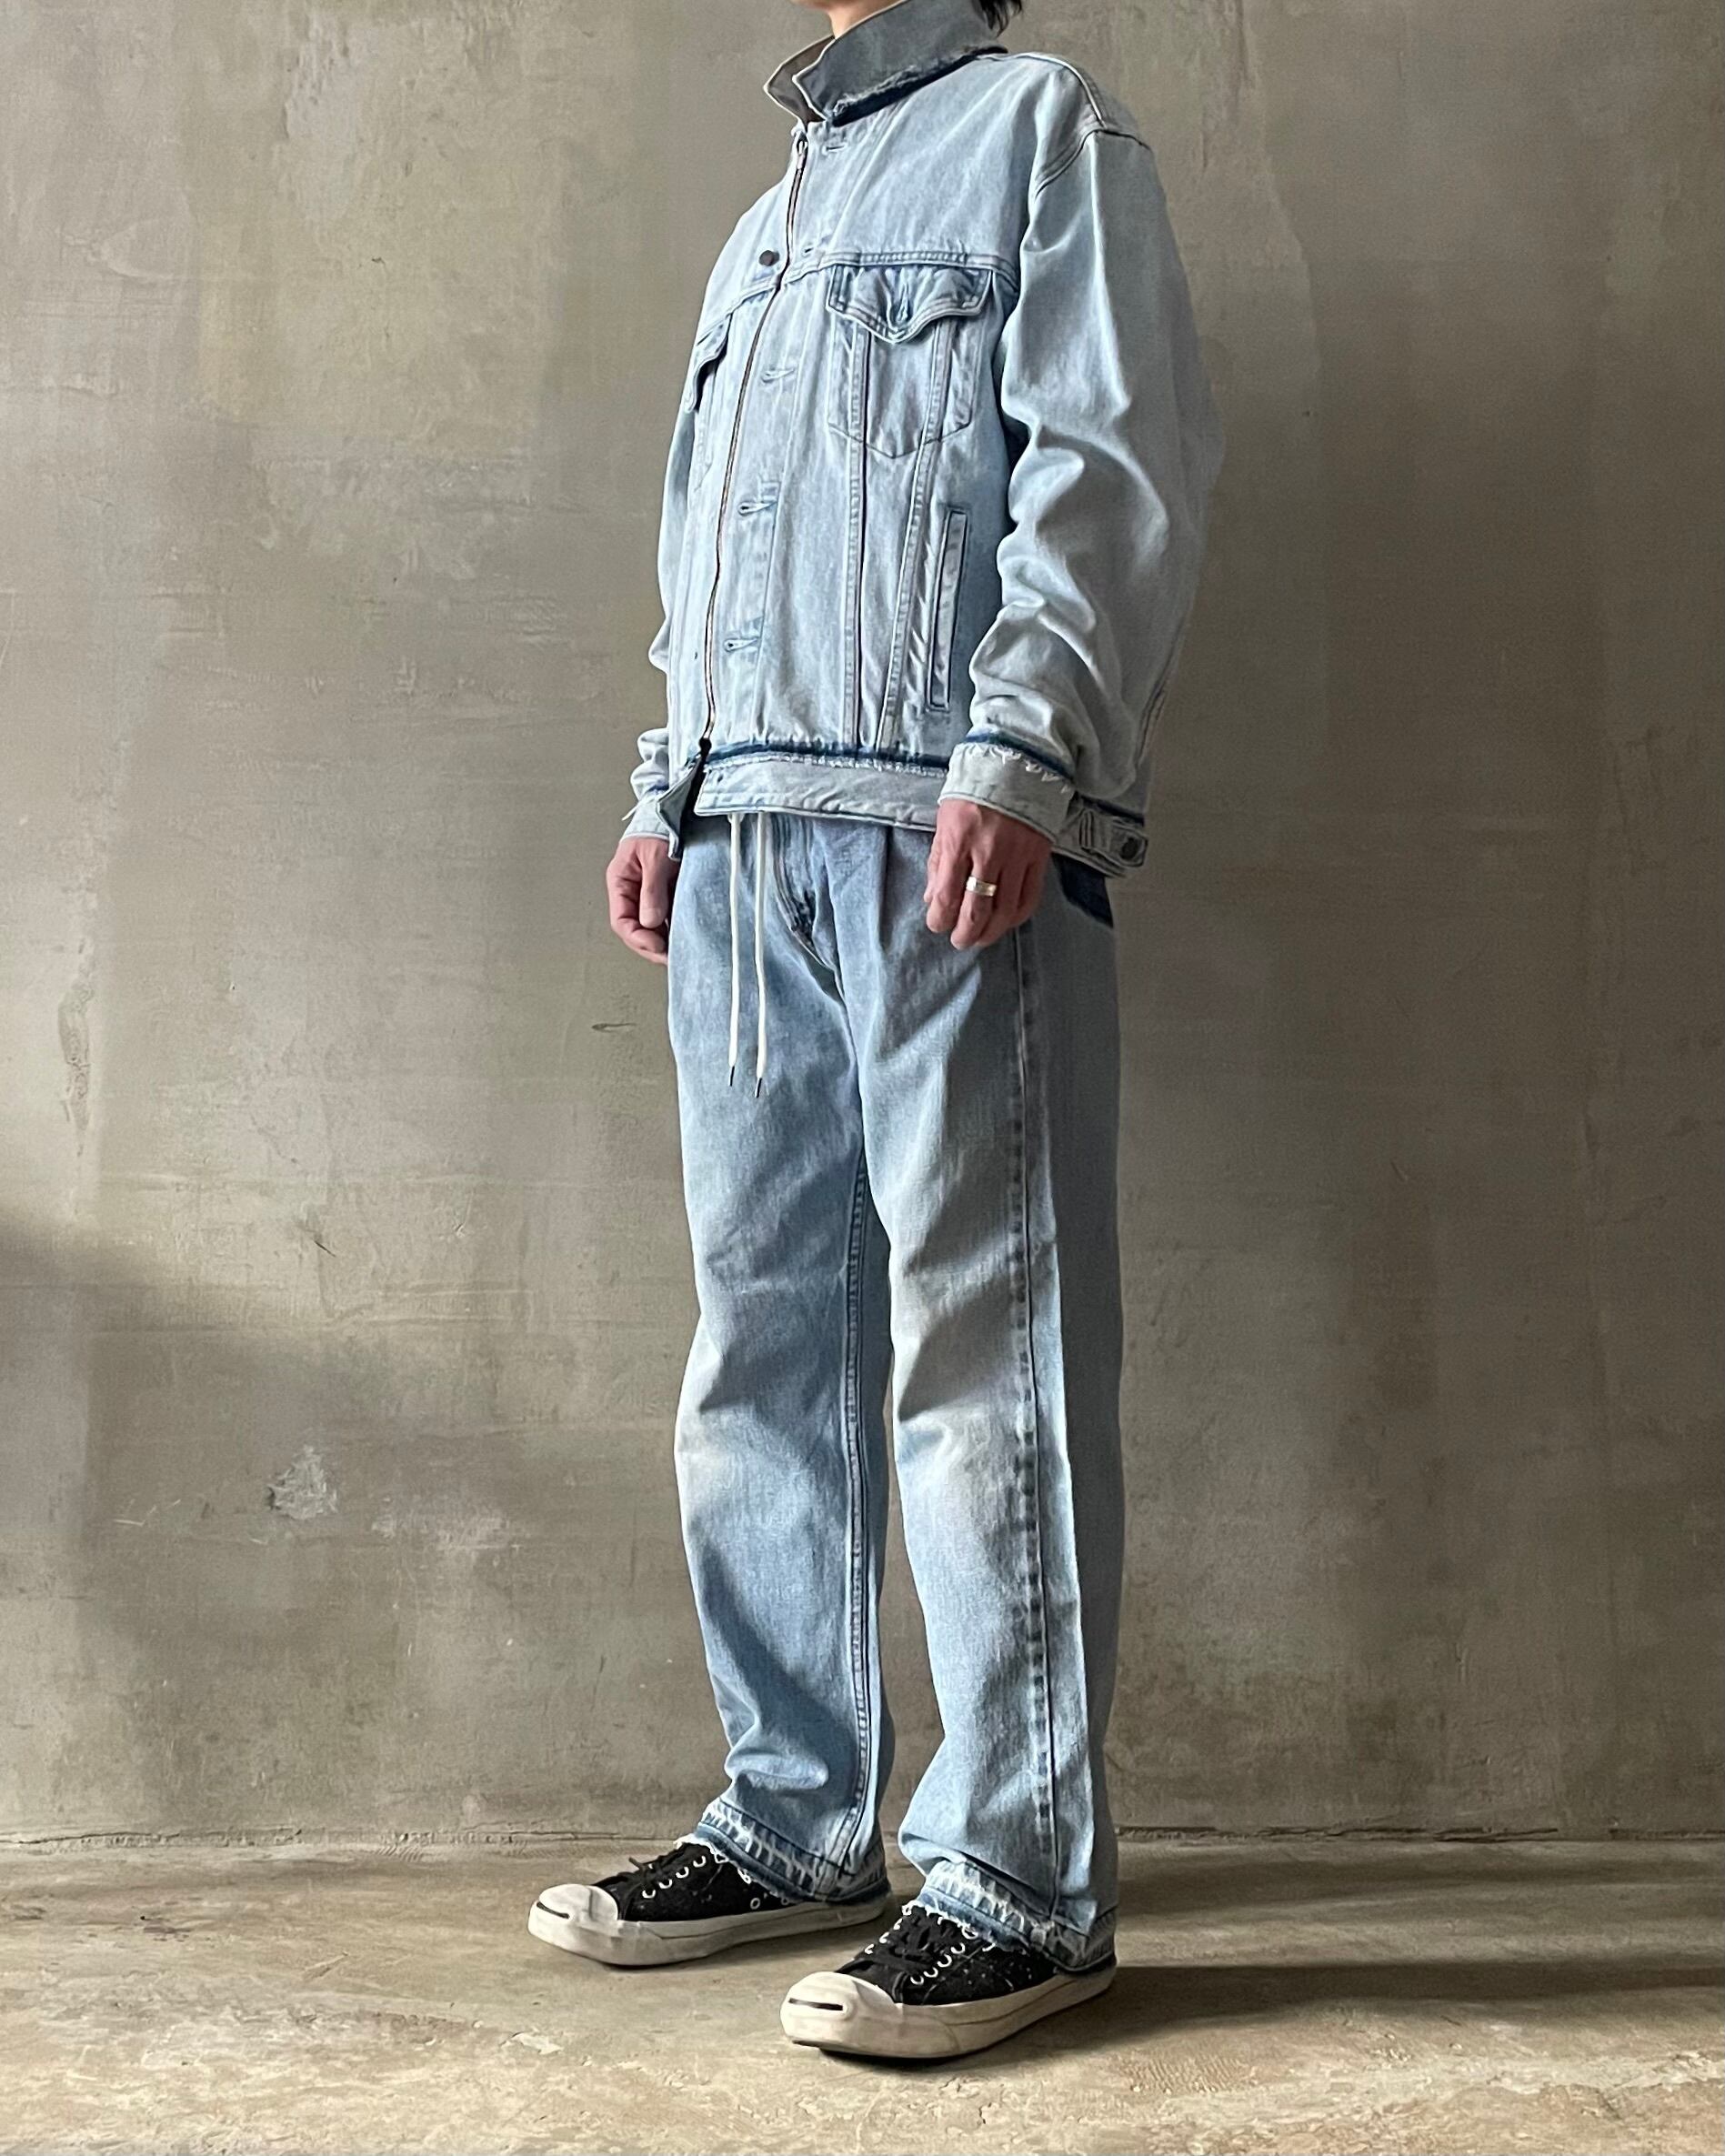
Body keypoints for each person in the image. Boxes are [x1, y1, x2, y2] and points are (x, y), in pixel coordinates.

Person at [530, 0, 1224, 2060]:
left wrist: (1025, 753)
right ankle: (796, 1814)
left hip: (943, 832)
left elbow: (1114, 461)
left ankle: (1018, 1882)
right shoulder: (771, 217)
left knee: (984, 1351)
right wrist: (667, 785)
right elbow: (710, 538)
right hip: (743, 847)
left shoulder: (1041, 131)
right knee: (762, 1344)